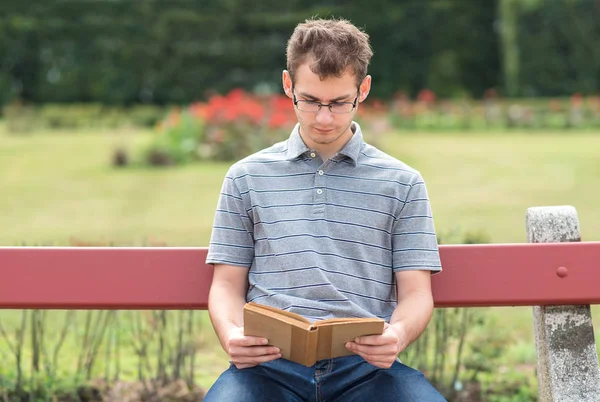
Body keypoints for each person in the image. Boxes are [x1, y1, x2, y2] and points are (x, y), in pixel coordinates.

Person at [204, 17, 446, 401]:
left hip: (367, 370)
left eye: (338, 103)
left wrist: (396, 336)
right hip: (267, 368)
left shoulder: (403, 183)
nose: (323, 118)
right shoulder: (245, 177)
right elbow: (226, 286)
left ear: (363, 90)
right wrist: (232, 334)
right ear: (288, 85)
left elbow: (417, 294)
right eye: (311, 101)